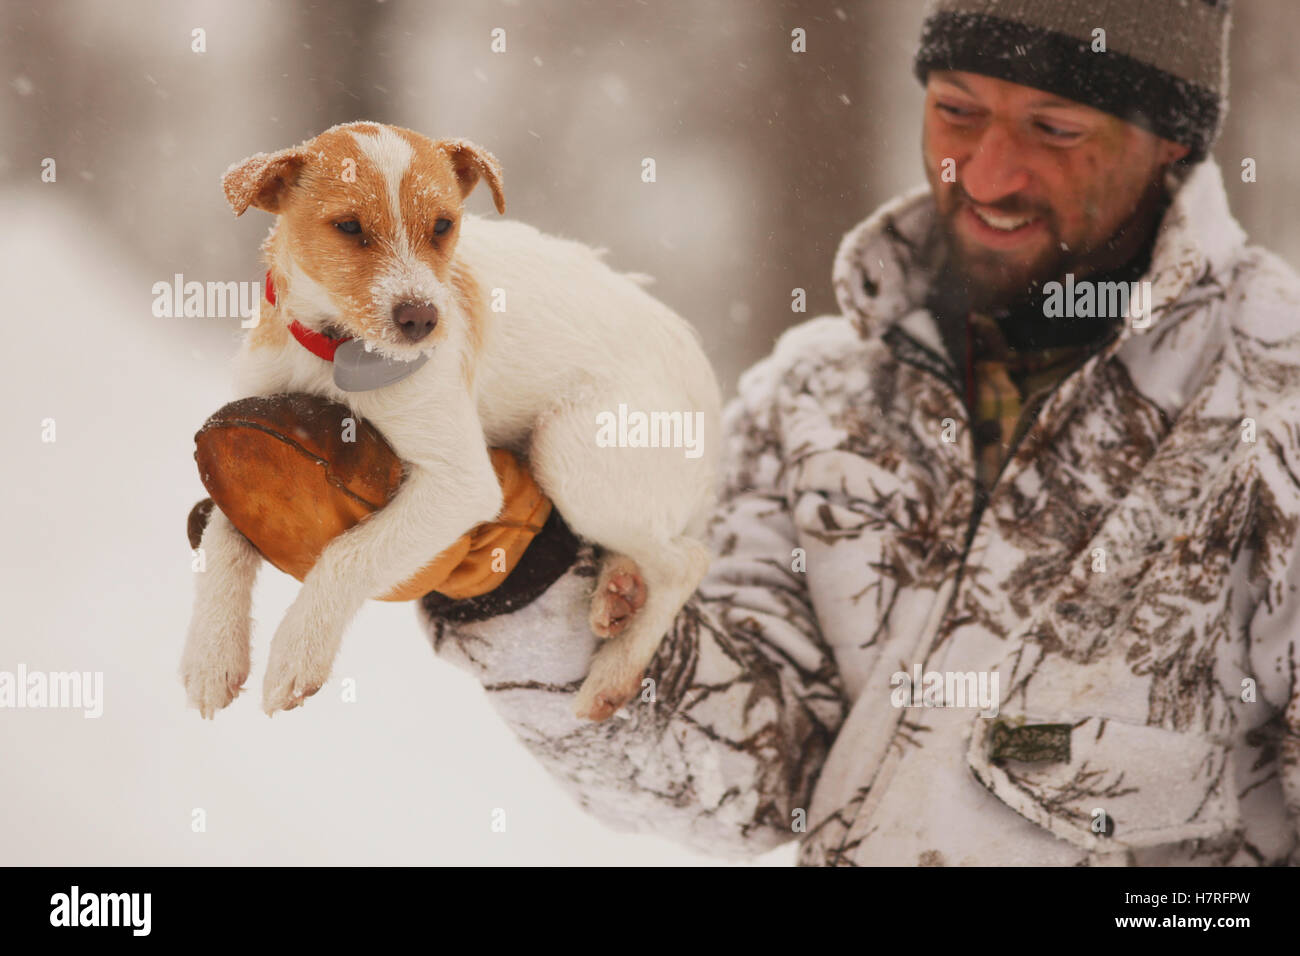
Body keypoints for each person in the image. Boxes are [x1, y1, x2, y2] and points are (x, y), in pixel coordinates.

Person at [207, 0, 1300, 865]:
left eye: (1054, 127)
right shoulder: (818, 398)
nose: (989, 170)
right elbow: (753, 774)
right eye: (958, 110)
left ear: (1171, 141)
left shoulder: (1273, 403)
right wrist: (525, 580)